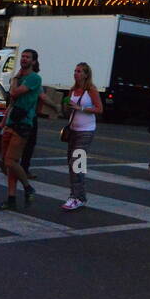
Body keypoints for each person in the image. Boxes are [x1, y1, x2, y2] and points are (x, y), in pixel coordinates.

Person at [0, 48, 40, 210]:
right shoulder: (20, 77)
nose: (24, 59)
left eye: (28, 57)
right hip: (11, 122)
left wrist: (15, 78)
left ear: (33, 62)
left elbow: (14, 93)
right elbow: (12, 103)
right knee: (7, 163)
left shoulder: (34, 78)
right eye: (23, 56)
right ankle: (11, 198)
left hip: (23, 123)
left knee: (10, 160)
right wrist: (2, 122)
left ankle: (28, 187)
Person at [63, 62, 102, 210]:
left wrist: (82, 108)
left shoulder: (90, 90)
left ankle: (76, 197)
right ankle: (79, 195)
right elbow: (69, 111)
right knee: (72, 163)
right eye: (75, 71)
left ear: (86, 74)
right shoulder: (73, 90)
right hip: (73, 129)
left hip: (86, 130)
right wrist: (67, 107)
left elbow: (99, 109)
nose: (76, 73)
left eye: (79, 71)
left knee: (77, 163)